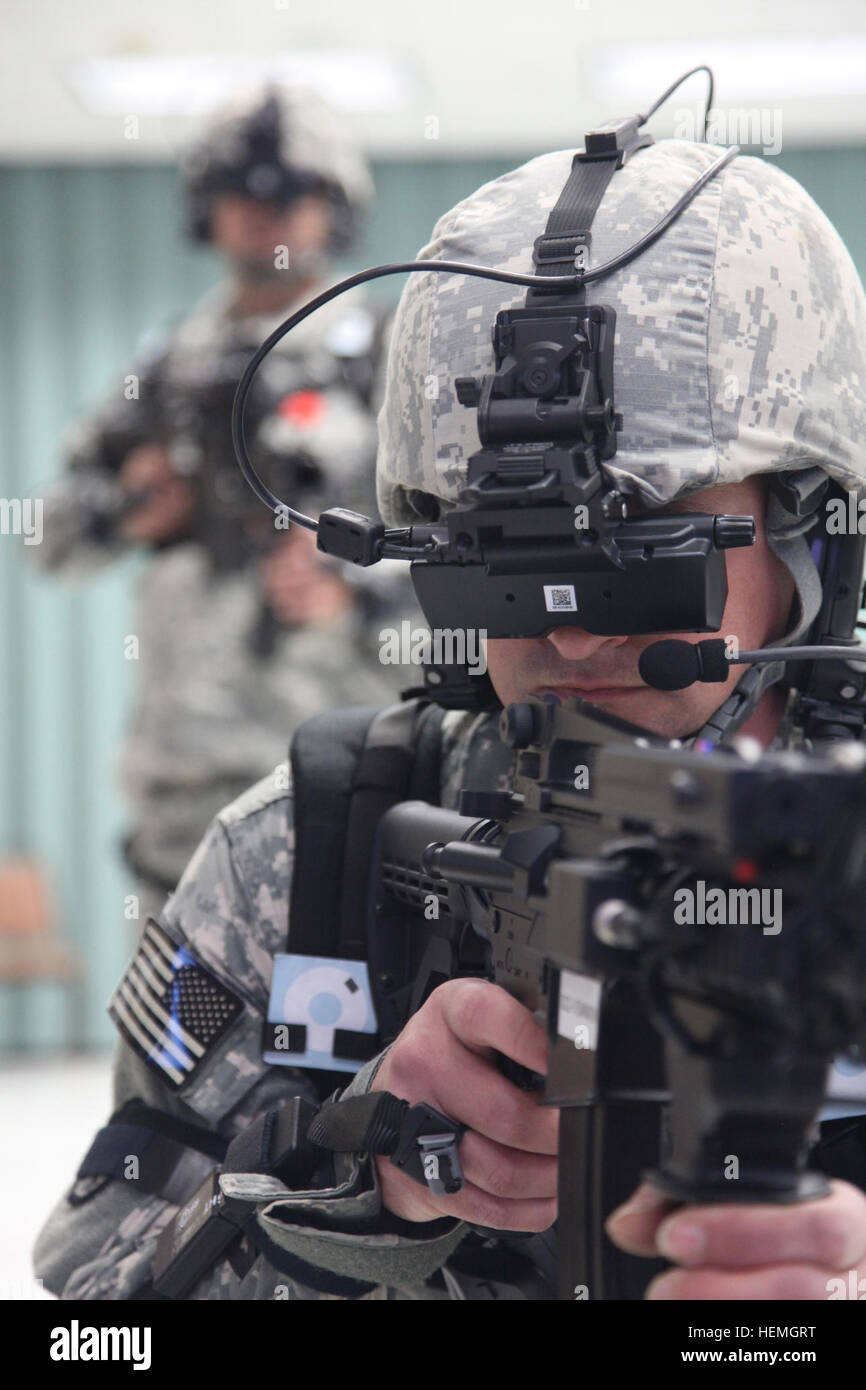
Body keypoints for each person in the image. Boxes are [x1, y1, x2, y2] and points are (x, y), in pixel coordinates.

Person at [34, 127, 866, 1300]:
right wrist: (342, 1187)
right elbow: (94, 1315)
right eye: (496, 562)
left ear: (812, 532)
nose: (570, 633)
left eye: (648, 549)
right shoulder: (301, 852)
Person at [33, 85, 415, 928]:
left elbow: (470, 553)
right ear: (208, 208)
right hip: (183, 793)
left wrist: (358, 587)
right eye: (244, 191)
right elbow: (43, 538)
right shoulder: (168, 368)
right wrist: (126, 510)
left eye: (292, 192)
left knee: (355, 1043)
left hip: (345, 769)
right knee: (175, 1047)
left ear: (335, 206)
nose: (267, 215)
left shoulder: (390, 355)